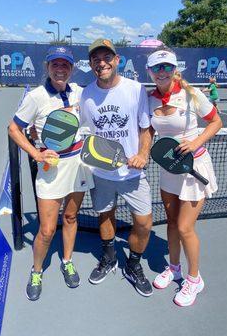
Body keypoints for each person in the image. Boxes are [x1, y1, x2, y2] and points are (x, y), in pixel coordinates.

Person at [8, 46, 94, 301]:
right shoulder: (35, 97)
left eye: (65, 64)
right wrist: (36, 154)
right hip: (51, 169)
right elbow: (14, 129)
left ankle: (66, 261)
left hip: (78, 165)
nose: (60, 68)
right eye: (55, 64)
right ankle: (36, 271)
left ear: (71, 69)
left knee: (70, 217)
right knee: (46, 230)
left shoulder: (80, 91)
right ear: (47, 67)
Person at [147, 47, 222, 306]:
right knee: (170, 222)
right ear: (150, 72)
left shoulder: (192, 95)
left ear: (174, 69)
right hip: (169, 168)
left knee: (184, 227)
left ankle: (194, 279)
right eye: (157, 68)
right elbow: (146, 132)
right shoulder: (149, 99)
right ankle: (175, 267)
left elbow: (216, 122)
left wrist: (195, 141)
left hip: (194, 168)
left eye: (167, 67)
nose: (162, 72)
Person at [80, 38, 153, 297]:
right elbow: (79, 128)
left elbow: (145, 128)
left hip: (133, 173)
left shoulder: (135, 89)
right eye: (96, 59)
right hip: (101, 174)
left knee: (143, 224)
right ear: (90, 64)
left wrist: (143, 153)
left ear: (117, 60)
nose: (102, 63)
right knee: (105, 217)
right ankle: (109, 257)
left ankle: (133, 264)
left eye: (107, 58)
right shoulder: (85, 94)